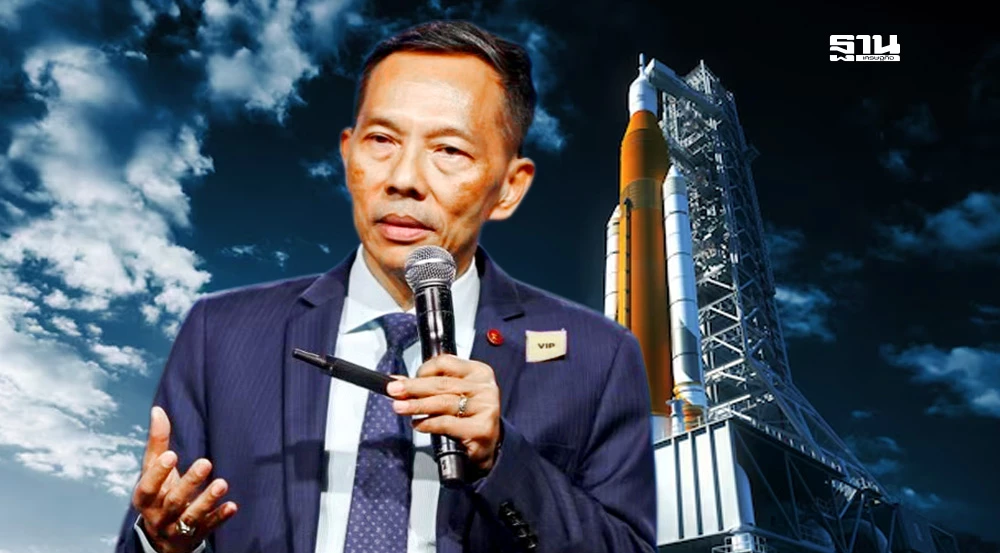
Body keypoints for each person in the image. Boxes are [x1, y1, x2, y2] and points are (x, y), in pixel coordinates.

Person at [115, 19, 656, 553]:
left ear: (509, 187)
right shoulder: (220, 334)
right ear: (348, 153)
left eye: (449, 150)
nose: (404, 179)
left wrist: (502, 459)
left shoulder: (598, 359)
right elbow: (159, 529)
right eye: (381, 140)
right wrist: (163, 544)